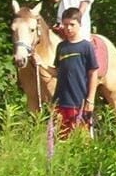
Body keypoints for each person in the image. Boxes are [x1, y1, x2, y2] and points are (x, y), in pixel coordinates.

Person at [34, 7, 98, 138]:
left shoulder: (86, 47)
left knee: (81, 138)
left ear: (79, 24)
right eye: (65, 24)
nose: (68, 28)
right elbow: (57, 72)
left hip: (79, 101)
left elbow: (93, 74)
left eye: (72, 24)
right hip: (60, 101)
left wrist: (90, 99)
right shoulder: (61, 47)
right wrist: (41, 63)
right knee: (60, 137)